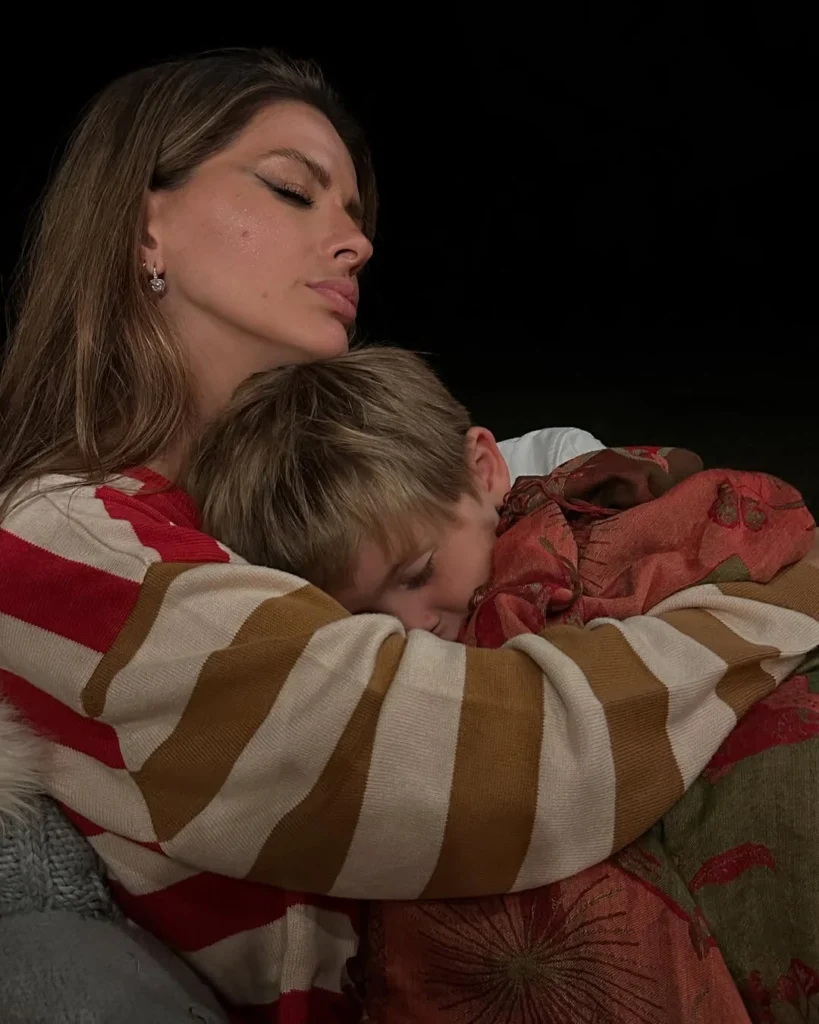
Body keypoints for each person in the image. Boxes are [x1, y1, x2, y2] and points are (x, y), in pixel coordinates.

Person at [1, 47, 818, 1024]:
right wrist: (778, 598)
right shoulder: (57, 537)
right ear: (145, 226)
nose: (354, 242)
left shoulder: (298, 504)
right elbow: (477, 764)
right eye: (293, 189)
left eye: (357, 215)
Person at [183, 345, 814, 644]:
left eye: (418, 574)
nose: (414, 626)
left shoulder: (572, 481)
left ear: (484, 470)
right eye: (364, 618)